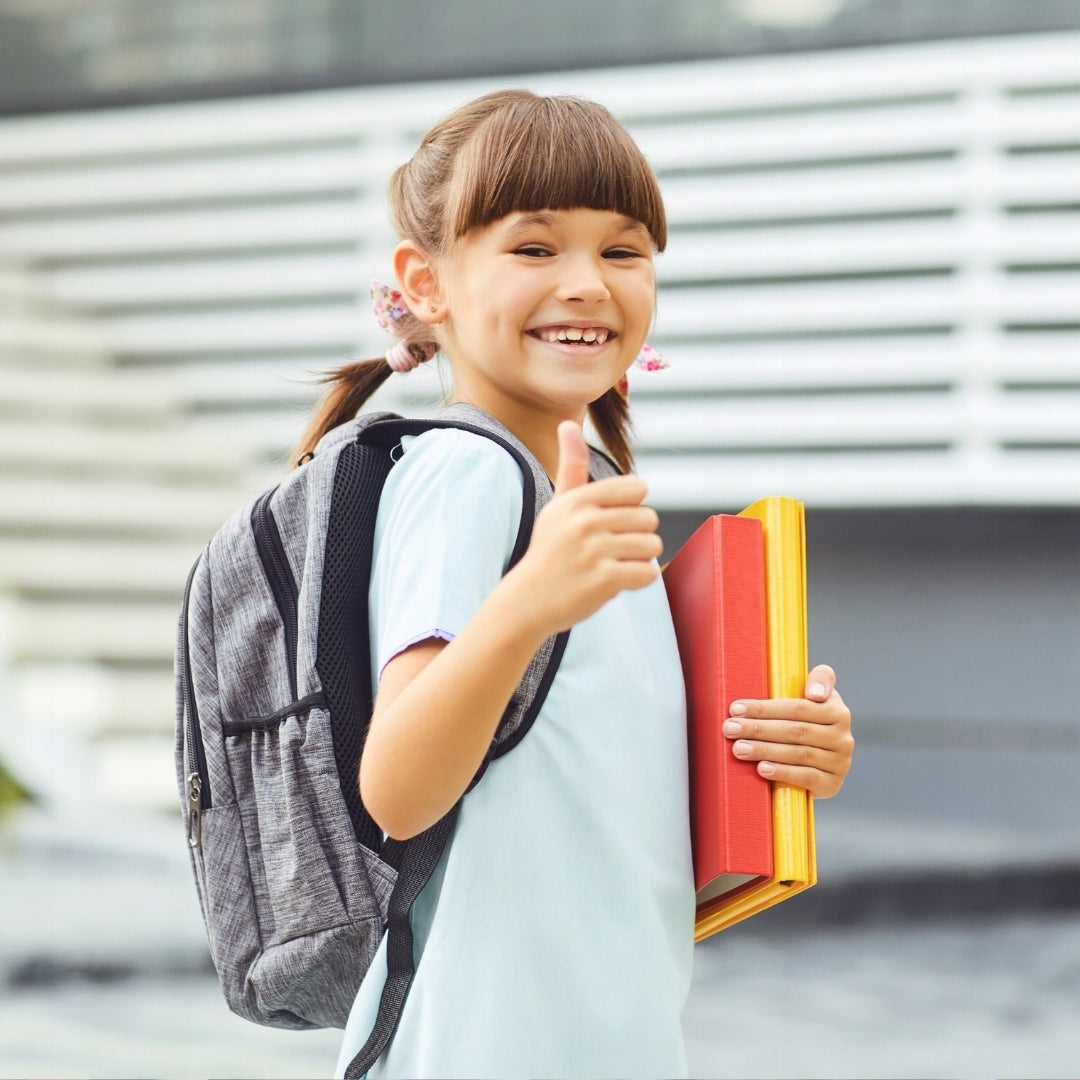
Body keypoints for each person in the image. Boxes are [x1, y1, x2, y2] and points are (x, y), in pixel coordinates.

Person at [293, 89, 854, 1080]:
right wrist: (527, 602)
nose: (588, 283)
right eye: (535, 248)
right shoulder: (466, 475)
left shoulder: (582, 499)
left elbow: (603, 827)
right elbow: (397, 792)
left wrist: (785, 758)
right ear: (426, 284)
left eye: (623, 251)